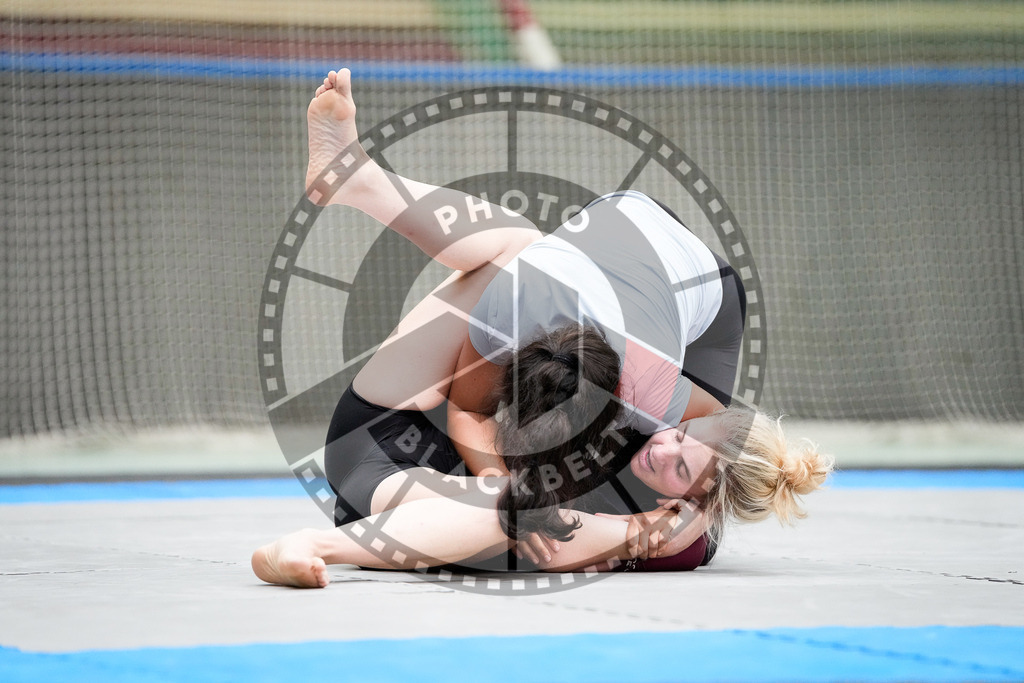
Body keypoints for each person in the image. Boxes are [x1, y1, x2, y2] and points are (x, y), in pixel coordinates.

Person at [251, 69, 832, 587]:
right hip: (386, 448)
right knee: (518, 258)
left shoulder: (648, 392)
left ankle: (361, 182)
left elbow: (700, 454)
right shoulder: (515, 304)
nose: (663, 444)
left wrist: (675, 520)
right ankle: (358, 181)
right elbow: (476, 419)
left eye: (676, 454)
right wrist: (620, 528)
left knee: (672, 528)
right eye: (674, 441)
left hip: (678, 293)